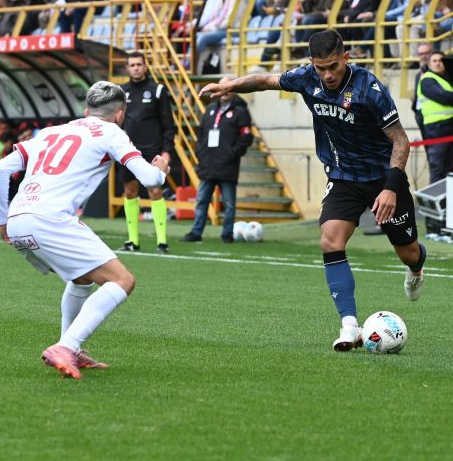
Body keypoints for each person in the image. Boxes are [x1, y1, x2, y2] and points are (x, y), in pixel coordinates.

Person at [200, 30, 428, 352]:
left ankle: (417, 268)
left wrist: (391, 189)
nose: (328, 74)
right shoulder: (307, 79)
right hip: (343, 177)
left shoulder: (370, 89)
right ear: (312, 64)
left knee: (408, 251)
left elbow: (400, 141)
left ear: (346, 58)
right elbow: (265, 80)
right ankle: (349, 325)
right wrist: (228, 86)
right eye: (321, 68)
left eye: (333, 66)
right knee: (329, 240)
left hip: (383, 179)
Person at [0, 81, 170, 379]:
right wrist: (162, 170)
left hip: (19, 215)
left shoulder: (50, 132)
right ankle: (67, 345)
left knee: (83, 277)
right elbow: (149, 179)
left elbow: (1, 169)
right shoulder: (113, 132)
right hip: (51, 218)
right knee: (123, 280)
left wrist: (2, 221)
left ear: (86, 110)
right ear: (120, 114)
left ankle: (70, 349)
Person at [182, 76, 254, 244]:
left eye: (227, 86)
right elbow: (201, 134)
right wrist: (200, 152)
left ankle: (227, 233)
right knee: (201, 201)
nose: (224, 90)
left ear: (232, 89)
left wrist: (231, 153)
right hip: (208, 163)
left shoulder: (241, 111)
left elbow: (246, 138)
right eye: (221, 86)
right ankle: (196, 232)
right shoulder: (210, 109)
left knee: (228, 203)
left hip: (227, 165)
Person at [119, 52, 176, 253]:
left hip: (152, 151)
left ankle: (162, 242)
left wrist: (167, 151)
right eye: (132, 64)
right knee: (129, 191)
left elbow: (169, 125)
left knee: (155, 191)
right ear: (127, 68)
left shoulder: (158, 90)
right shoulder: (121, 92)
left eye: (139, 64)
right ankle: (133, 241)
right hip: (127, 152)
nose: (135, 68)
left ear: (145, 66)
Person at [417, 52, 453, 184]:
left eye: (440, 60)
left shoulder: (447, 80)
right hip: (436, 128)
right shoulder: (427, 79)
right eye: (434, 60)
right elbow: (445, 97)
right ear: (429, 64)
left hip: (450, 126)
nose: (437, 63)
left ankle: (447, 201)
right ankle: (435, 201)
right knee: (438, 168)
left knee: (448, 168)